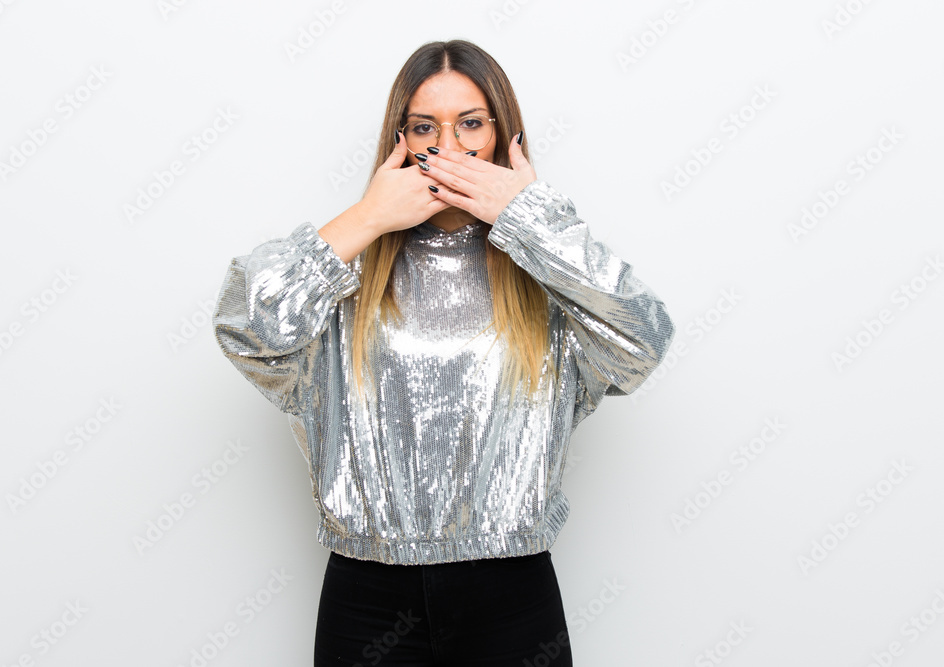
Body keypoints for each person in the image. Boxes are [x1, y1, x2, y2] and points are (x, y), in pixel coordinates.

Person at [212, 39, 675, 667]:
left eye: (471, 125)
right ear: (399, 141)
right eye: (425, 127)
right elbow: (245, 326)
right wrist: (368, 217)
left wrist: (530, 218)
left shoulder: (544, 280)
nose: (449, 149)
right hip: (367, 598)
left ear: (503, 138)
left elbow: (645, 337)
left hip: (512, 596)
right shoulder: (348, 276)